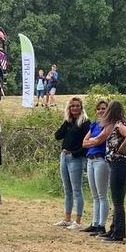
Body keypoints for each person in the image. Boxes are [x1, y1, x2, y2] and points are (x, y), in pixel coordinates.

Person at [94, 100, 126, 243]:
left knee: (118, 202)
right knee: (116, 200)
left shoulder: (119, 125)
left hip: (120, 165)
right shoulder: (122, 124)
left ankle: (118, 234)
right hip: (120, 166)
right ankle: (113, 230)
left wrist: (123, 147)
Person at [53, 97, 90, 229]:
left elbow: (87, 144)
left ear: (81, 107)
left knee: (76, 189)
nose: (75, 108)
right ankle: (67, 218)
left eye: (77, 106)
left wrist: (76, 153)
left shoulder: (85, 123)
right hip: (64, 156)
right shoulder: (69, 122)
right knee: (67, 189)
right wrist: (66, 122)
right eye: (72, 106)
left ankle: (78, 221)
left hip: (76, 158)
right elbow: (57, 135)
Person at [81, 99, 111, 235]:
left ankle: (101, 224)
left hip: (101, 160)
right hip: (90, 160)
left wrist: (92, 142)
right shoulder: (94, 125)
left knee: (102, 194)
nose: (101, 111)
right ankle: (94, 223)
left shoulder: (109, 125)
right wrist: (93, 142)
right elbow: (84, 143)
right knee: (94, 195)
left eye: (103, 108)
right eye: (99, 109)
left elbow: (100, 140)